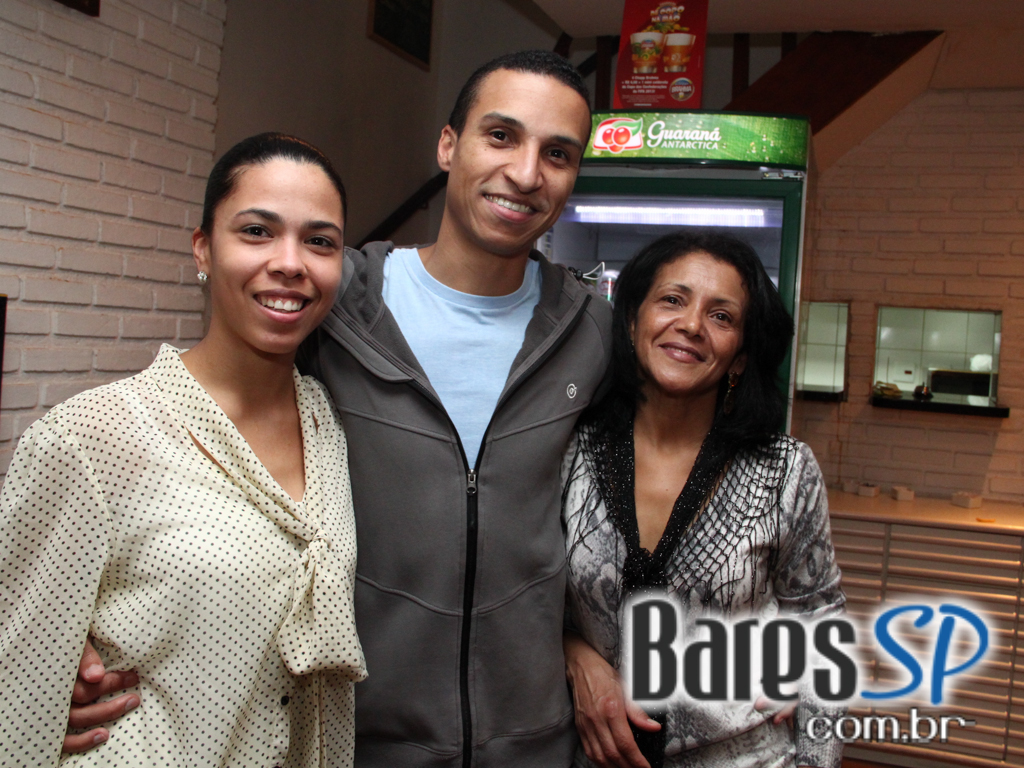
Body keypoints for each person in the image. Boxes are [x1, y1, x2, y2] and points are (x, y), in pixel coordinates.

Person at [65, 51, 611, 767]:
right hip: (348, 735)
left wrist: (580, 640)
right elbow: (186, 431)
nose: (526, 172)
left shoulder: (592, 332)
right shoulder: (335, 298)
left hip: (535, 740)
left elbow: (617, 510)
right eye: (501, 136)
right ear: (449, 146)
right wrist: (70, 620)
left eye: (558, 153)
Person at [0, 133, 366, 766]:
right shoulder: (90, 440)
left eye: (319, 241)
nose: (290, 262)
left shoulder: (329, 425)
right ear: (203, 247)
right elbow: (16, 682)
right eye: (256, 231)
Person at [561, 232, 845, 768]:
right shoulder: (568, 452)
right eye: (672, 299)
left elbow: (819, 619)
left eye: (722, 317)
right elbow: (523, 601)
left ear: (739, 357)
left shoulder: (785, 471)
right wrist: (572, 654)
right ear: (631, 322)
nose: (691, 324)